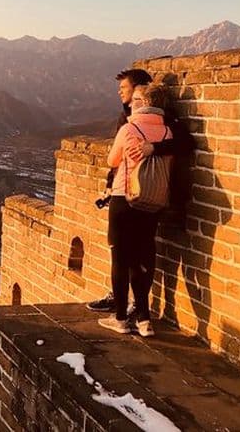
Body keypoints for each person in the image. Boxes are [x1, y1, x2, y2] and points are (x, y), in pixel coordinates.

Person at [87, 69, 194, 313]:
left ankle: (131, 308)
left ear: (139, 91)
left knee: (135, 251)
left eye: (124, 88)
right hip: (127, 188)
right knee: (134, 251)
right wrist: (108, 184)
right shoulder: (125, 116)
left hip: (148, 192)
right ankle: (130, 305)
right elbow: (120, 158)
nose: (120, 92)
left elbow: (187, 143)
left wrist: (153, 148)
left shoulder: (163, 118)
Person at [97, 84, 172, 337]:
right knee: (144, 256)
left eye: (135, 99)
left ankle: (120, 318)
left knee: (120, 258)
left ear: (143, 102)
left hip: (124, 197)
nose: (130, 102)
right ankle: (144, 318)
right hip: (153, 200)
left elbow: (112, 161)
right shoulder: (168, 132)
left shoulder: (130, 128)